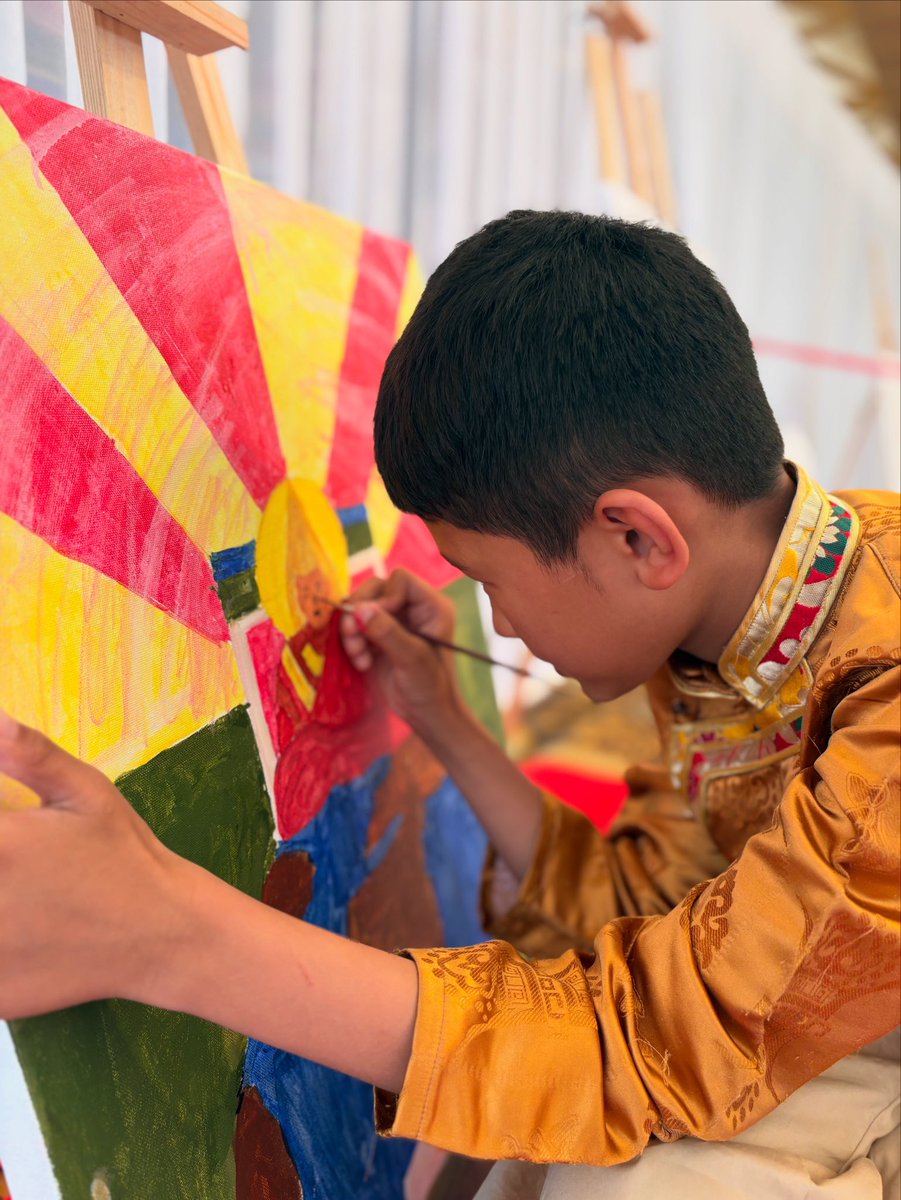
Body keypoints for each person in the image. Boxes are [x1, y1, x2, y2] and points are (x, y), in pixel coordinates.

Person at [1, 211, 898, 1198]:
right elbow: (660, 917)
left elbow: (659, 1039)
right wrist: (443, 722)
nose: (499, 626)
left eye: (488, 580)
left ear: (638, 540)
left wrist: (170, 933)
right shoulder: (739, 617)